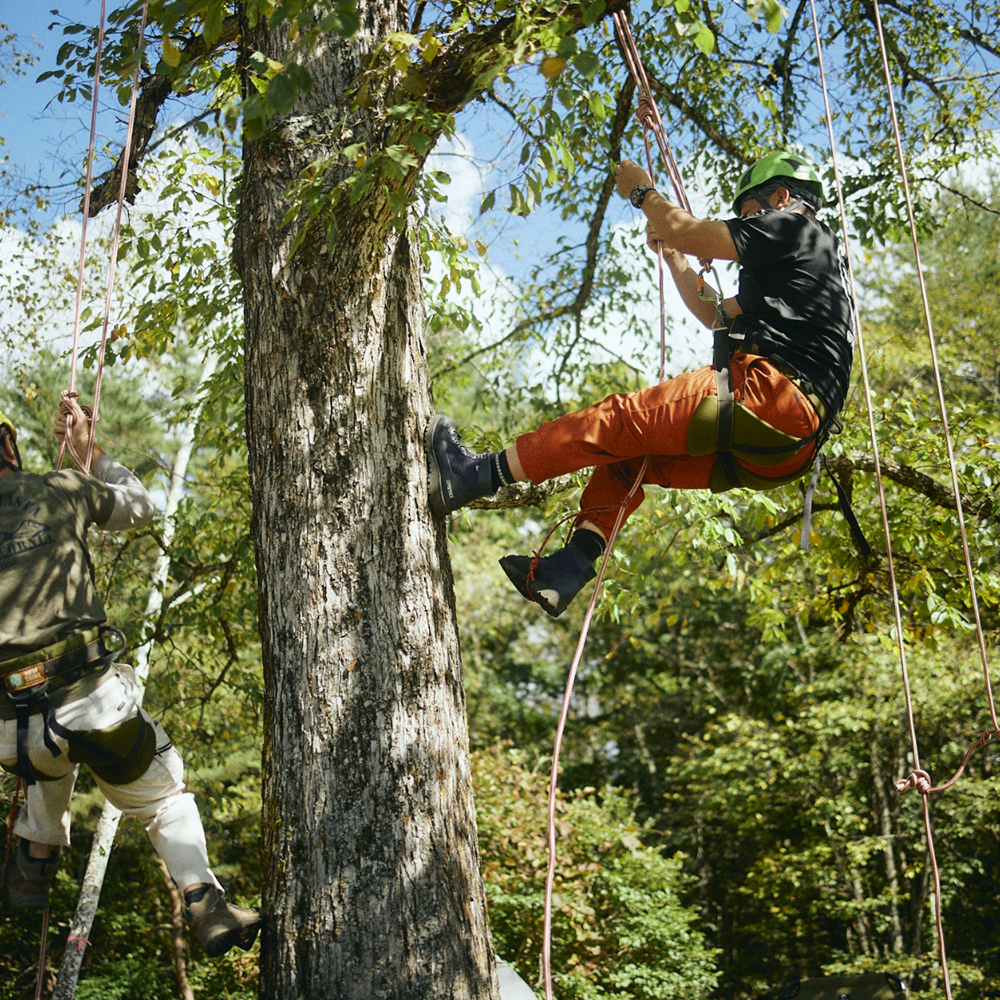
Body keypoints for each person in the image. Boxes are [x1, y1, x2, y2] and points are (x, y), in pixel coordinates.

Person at [426, 150, 855, 617]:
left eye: (748, 211)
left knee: (616, 420)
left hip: (772, 398)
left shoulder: (794, 228)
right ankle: (567, 568)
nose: (743, 222)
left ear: (781, 197)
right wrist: (674, 258)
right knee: (627, 462)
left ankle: (473, 476)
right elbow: (714, 312)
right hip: (786, 452)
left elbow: (688, 231)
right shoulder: (803, 272)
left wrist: (641, 190)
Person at [0, 400, 261, 957]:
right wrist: (92, 452)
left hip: (8, 733)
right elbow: (140, 507)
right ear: (8, 448)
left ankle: (34, 858)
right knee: (162, 795)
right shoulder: (61, 489)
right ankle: (205, 901)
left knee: (51, 750)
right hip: (89, 705)